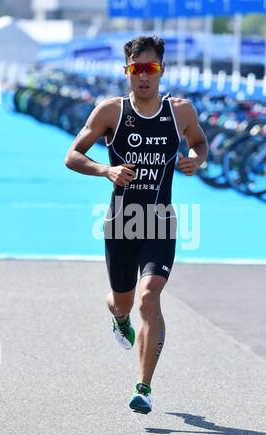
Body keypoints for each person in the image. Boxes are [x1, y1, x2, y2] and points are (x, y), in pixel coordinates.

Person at [65, 35, 208, 414]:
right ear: (126, 70)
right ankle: (118, 317)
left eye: (151, 68)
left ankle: (143, 387)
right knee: (122, 301)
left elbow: (200, 143)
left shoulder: (180, 111)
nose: (143, 76)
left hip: (160, 221)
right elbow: (72, 156)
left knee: (149, 298)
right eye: (136, 68)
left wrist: (196, 158)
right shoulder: (110, 111)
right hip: (121, 223)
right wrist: (105, 169)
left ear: (161, 70)